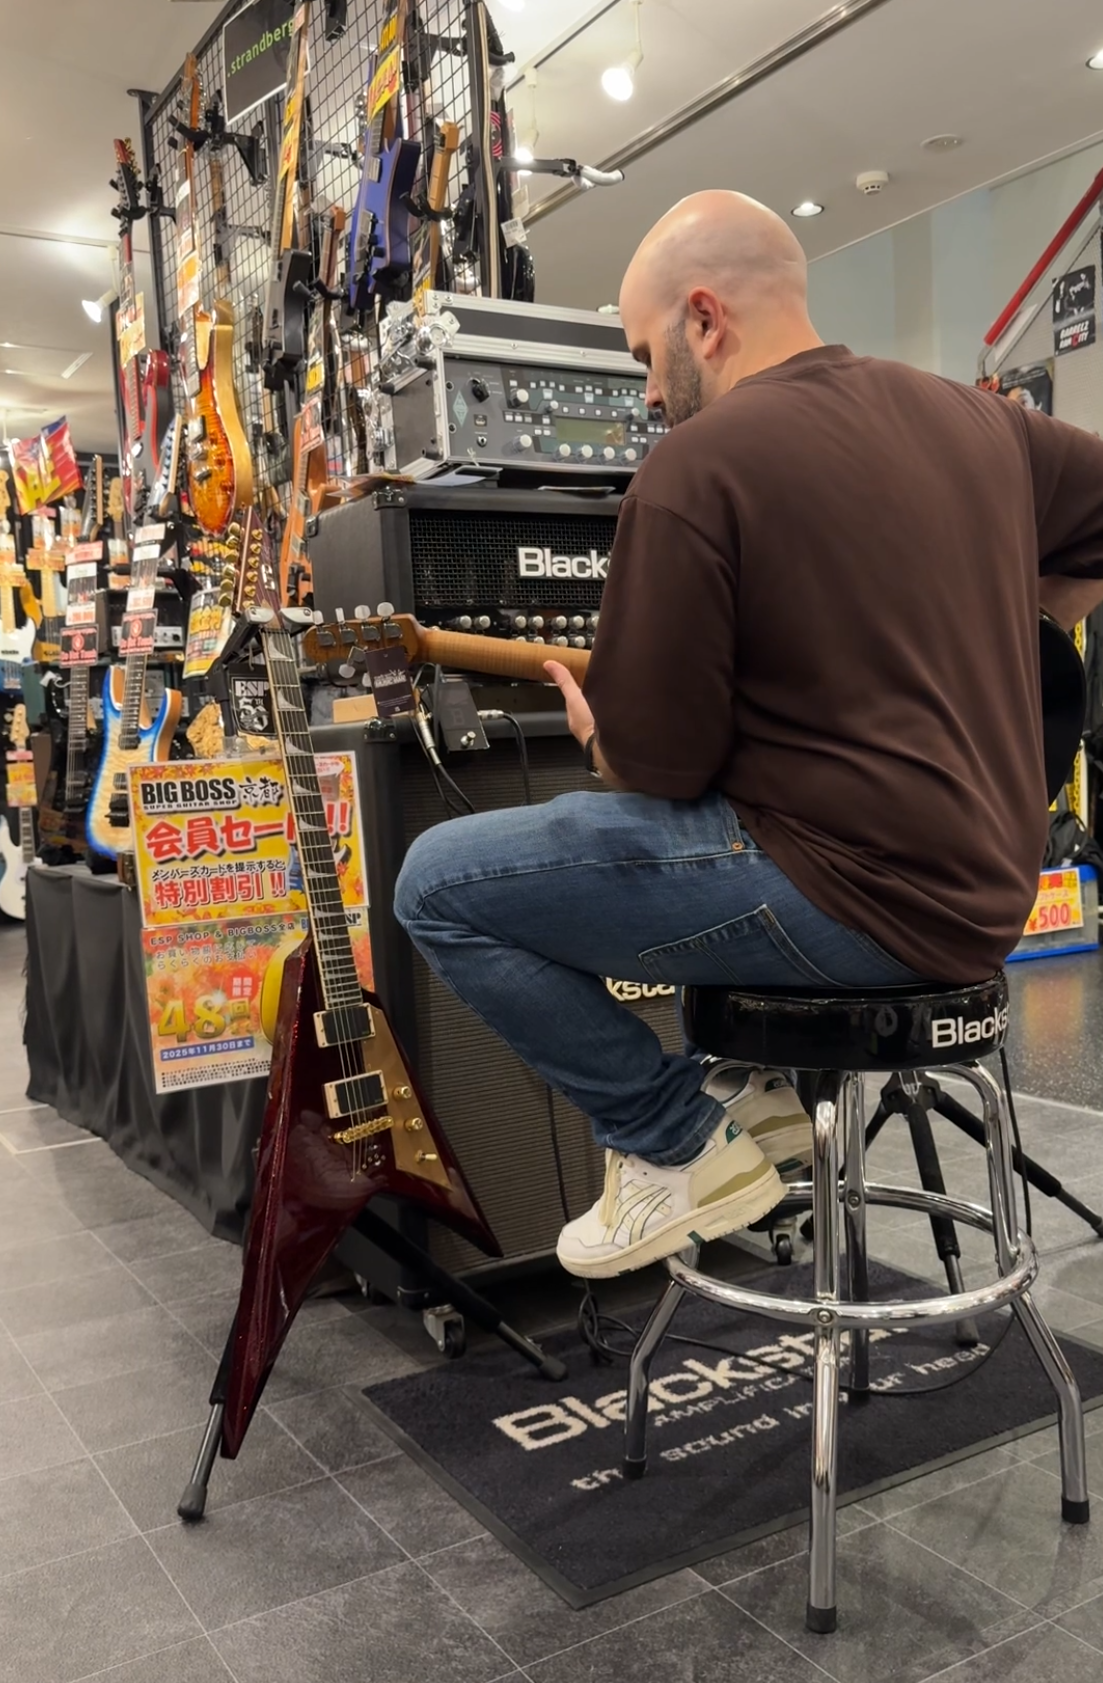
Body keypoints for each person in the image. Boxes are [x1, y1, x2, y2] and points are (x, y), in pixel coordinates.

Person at [395, 189, 1103, 1280]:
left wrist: (604, 732)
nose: (644, 388)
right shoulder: (981, 423)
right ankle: (751, 1103)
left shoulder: (694, 467)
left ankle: (672, 1142)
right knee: (703, 841)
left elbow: (663, 769)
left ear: (703, 319)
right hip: (983, 902)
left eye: (644, 353)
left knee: (435, 882)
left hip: (854, 900)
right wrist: (1037, 610)